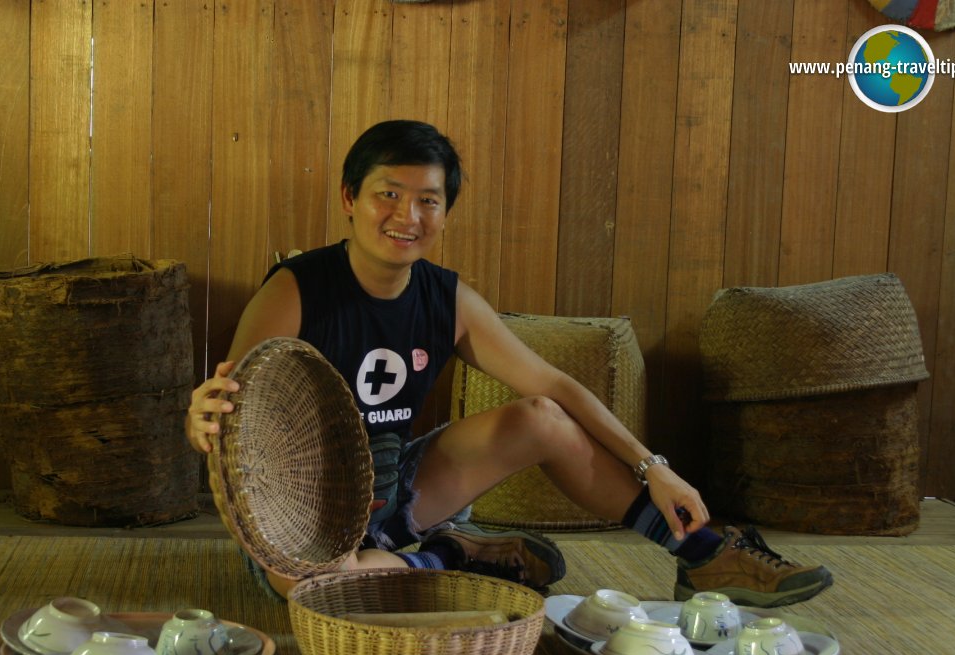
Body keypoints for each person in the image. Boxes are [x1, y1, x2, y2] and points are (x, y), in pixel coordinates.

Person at [186, 120, 833, 606]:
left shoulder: (449, 300)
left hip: (398, 484)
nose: (407, 216)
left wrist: (653, 467)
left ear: (444, 211)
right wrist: (202, 422)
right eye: (388, 194)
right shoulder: (295, 289)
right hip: (299, 516)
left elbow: (554, 385)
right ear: (350, 198)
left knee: (542, 416)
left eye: (429, 201)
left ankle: (702, 555)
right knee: (317, 592)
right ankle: (450, 558)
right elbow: (231, 419)